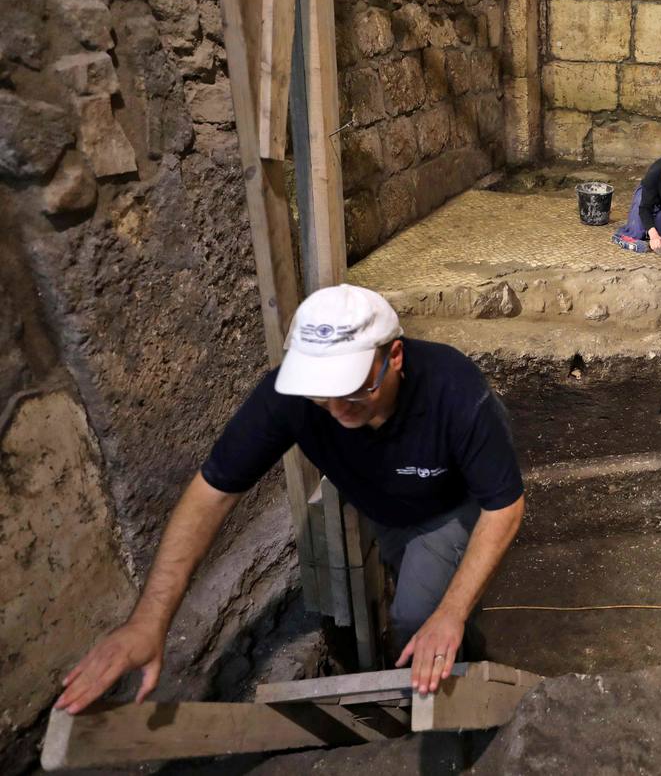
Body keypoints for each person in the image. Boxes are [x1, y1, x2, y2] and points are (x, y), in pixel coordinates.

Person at [55, 284, 525, 712]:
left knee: (418, 615)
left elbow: (503, 505)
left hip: (453, 503)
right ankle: (451, 637)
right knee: (416, 581)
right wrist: (149, 620)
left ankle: (456, 703)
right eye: (324, 397)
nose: (338, 411)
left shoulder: (456, 392)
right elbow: (211, 494)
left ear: (394, 356)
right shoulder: (292, 397)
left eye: (354, 390)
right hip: (390, 510)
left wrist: (449, 613)